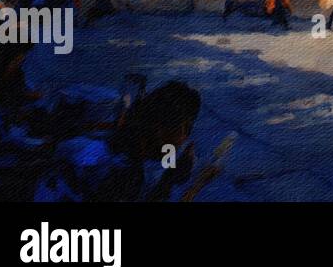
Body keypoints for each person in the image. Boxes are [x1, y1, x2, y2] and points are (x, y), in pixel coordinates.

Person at [34, 80, 213, 202]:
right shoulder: (123, 172)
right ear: (160, 129)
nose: (185, 137)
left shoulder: (115, 146)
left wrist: (176, 173)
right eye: (185, 129)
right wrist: (198, 184)